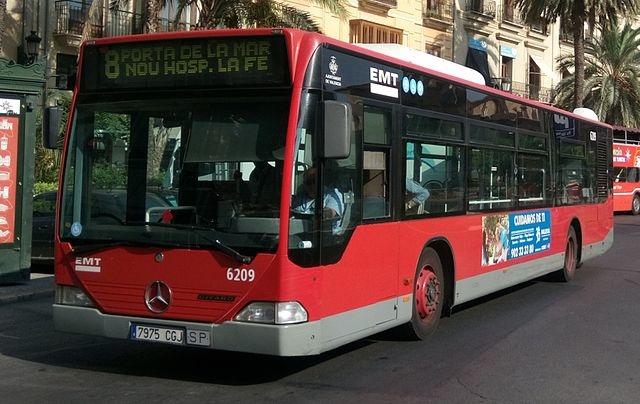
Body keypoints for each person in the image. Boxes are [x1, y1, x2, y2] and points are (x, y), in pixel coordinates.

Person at [292, 168, 345, 234]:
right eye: (308, 183)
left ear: (321, 181)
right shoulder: (301, 197)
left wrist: (321, 214)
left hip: (324, 237)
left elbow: (330, 212)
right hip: (301, 233)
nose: (311, 186)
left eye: (314, 181)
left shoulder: (332, 194)